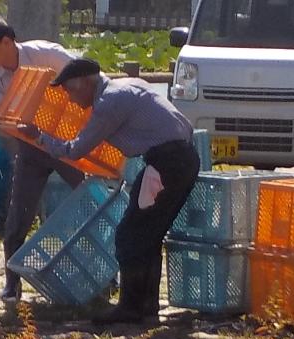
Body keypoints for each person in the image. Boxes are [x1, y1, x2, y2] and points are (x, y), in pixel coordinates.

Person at [17, 57, 200, 324]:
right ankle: (144, 307)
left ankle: (132, 307)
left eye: (70, 89)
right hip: (180, 158)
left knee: (129, 234)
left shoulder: (108, 102)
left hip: (166, 163)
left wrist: (39, 137)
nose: (69, 98)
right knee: (147, 234)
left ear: (85, 82)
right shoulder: (128, 85)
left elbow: (76, 149)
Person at [0, 17, 85, 305]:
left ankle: (109, 275)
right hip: (32, 147)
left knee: (94, 200)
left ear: (7, 42)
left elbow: (86, 79)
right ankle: (12, 284)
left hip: (68, 141)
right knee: (18, 214)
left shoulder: (45, 53)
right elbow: (4, 122)